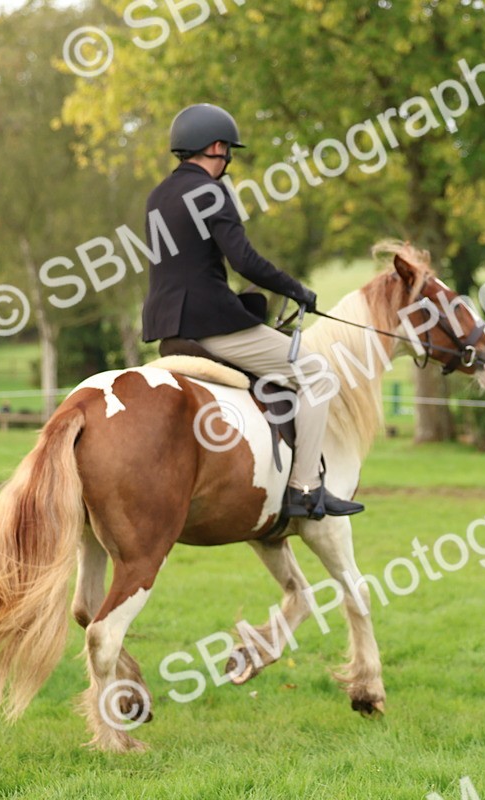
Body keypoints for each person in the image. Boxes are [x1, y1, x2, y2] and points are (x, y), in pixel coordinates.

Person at [141, 103, 363, 521]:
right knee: (317, 374)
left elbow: (183, 265)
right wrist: (296, 290)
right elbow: (243, 260)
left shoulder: (158, 196)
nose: (228, 158)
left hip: (167, 327)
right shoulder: (212, 192)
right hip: (213, 325)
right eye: (228, 150)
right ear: (216, 146)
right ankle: (304, 488)